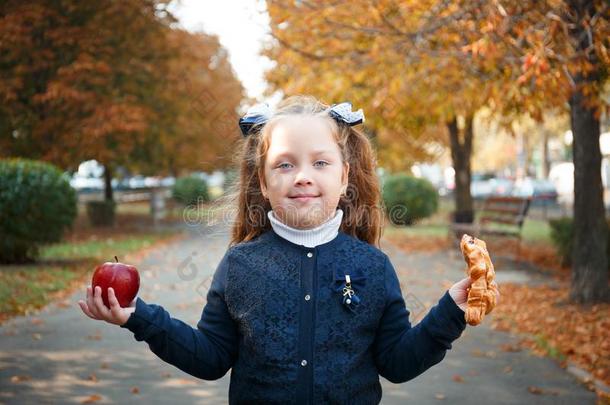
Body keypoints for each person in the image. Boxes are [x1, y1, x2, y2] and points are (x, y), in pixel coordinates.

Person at [78, 95, 500, 404]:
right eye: (285, 164)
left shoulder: (373, 266)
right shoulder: (241, 264)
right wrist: (140, 318)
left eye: (320, 163)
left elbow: (397, 363)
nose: (302, 176)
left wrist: (451, 311)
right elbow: (209, 358)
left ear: (345, 176)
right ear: (262, 182)